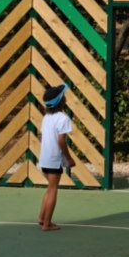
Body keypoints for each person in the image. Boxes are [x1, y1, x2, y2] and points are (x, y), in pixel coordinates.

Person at [37, 82, 75, 231]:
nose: (65, 97)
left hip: (44, 159)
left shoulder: (46, 117)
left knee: (50, 187)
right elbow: (61, 141)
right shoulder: (63, 118)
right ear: (61, 100)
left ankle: (41, 218)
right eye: (63, 95)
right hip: (54, 159)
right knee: (53, 189)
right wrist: (69, 158)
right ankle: (47, 224)